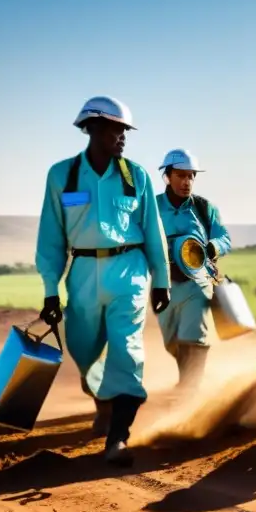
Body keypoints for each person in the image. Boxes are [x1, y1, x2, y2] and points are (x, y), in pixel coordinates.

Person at [35, 96, 171, 466]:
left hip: (129, 269)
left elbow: (153, 232)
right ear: (91, 128)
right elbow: (51, 237)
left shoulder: (137, 176)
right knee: (83, 350)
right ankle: (103, 402)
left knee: (127, 349)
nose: (122, 137)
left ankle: (118, 438)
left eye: (125, 130)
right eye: (115, 128)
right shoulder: (61, 176)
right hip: (81, 272)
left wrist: (162, 280)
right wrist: (50, 290)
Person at [155, 149, 232, 391]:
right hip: (163, 285)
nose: (186, 182)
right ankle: (188, 380)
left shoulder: (204, 208)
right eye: (180, 176)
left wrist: (212, 247)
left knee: (194, 337)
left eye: (191, 176)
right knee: (171, 342)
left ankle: (190, 391)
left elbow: (224, 238)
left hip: (197, 283)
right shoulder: (152, 207)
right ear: (167, 176)